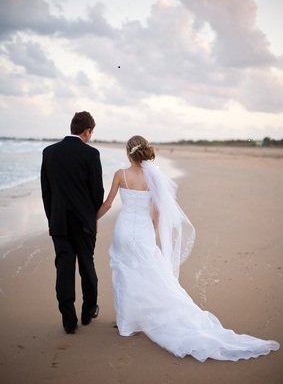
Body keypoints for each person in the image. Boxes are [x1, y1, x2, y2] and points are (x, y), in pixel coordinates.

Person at [97, 135, 280, 361]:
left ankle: (126, 324)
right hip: (143, 231)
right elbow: (157, 212)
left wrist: (92, 219)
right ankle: (141, 317)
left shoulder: (120, 175)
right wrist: (152, 231)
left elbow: (108, 203)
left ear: (128, 154)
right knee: (147, 273)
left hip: (123, 230)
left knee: (124, 273)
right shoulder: (152, 177)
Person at [41, 111, 104, 334]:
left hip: (59, 221)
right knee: (87, 265)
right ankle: (88, 312)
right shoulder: (91, 154)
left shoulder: (49, 152)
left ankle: (69, 320)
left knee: (64, 269)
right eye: (91, 132)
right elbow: (97, 193)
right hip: (84, 222)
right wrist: (93, 217)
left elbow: (46, 191)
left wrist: (53, 218)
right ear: (87, 131)